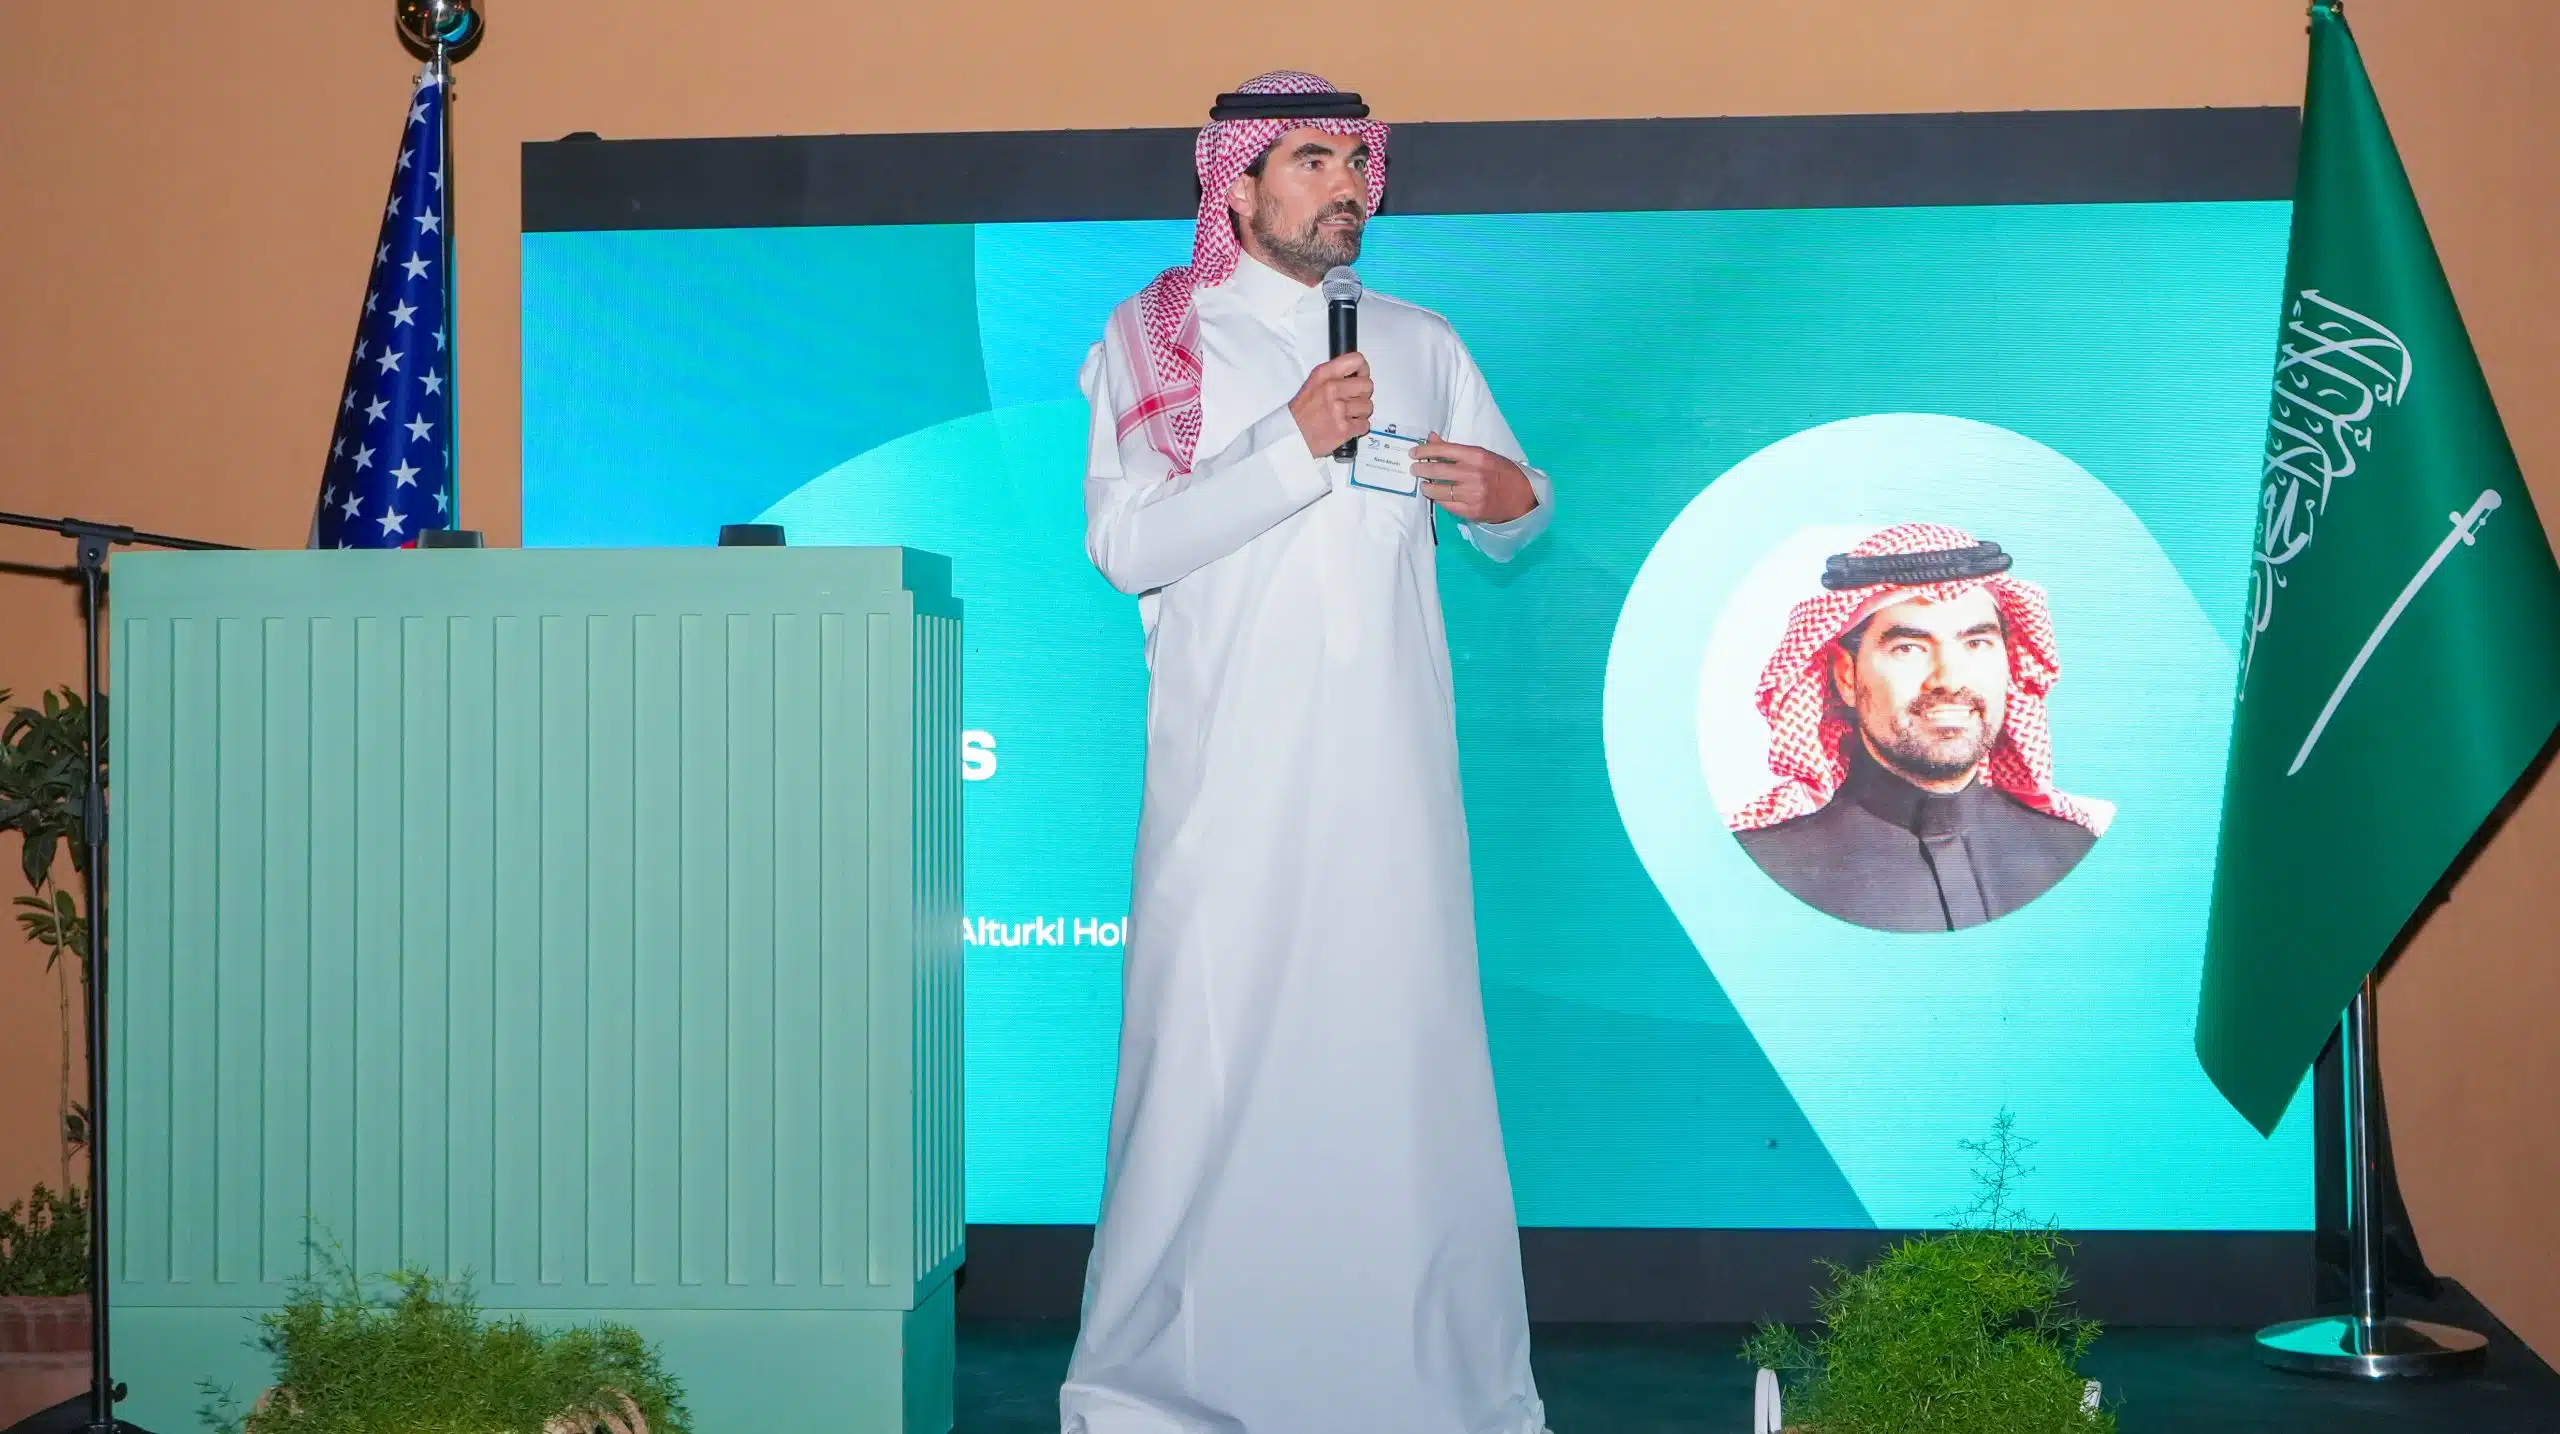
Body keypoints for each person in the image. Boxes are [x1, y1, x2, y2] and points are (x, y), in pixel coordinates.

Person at [1062, 69, 1553, 1434]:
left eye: (1356, 161)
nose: (1347, 187)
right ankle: (1168, 1391)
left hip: (1390, 787)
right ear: (1236, 185)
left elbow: (1511, 501)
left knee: (1397, 1071)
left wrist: (1512, 499)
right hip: (1229, 786)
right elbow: (1126, 544)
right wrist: (1289, 444)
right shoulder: (1159, 337)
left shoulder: (1420, 338)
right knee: (1208, 1078)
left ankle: (1417, 1385)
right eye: (1313, 160)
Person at [1729, 523, 2112, 933]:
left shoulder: (2077, 851)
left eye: (1976, 643)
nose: (1949, 678)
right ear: (1846, 677)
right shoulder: (1756, 871)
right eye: (1908, 648)